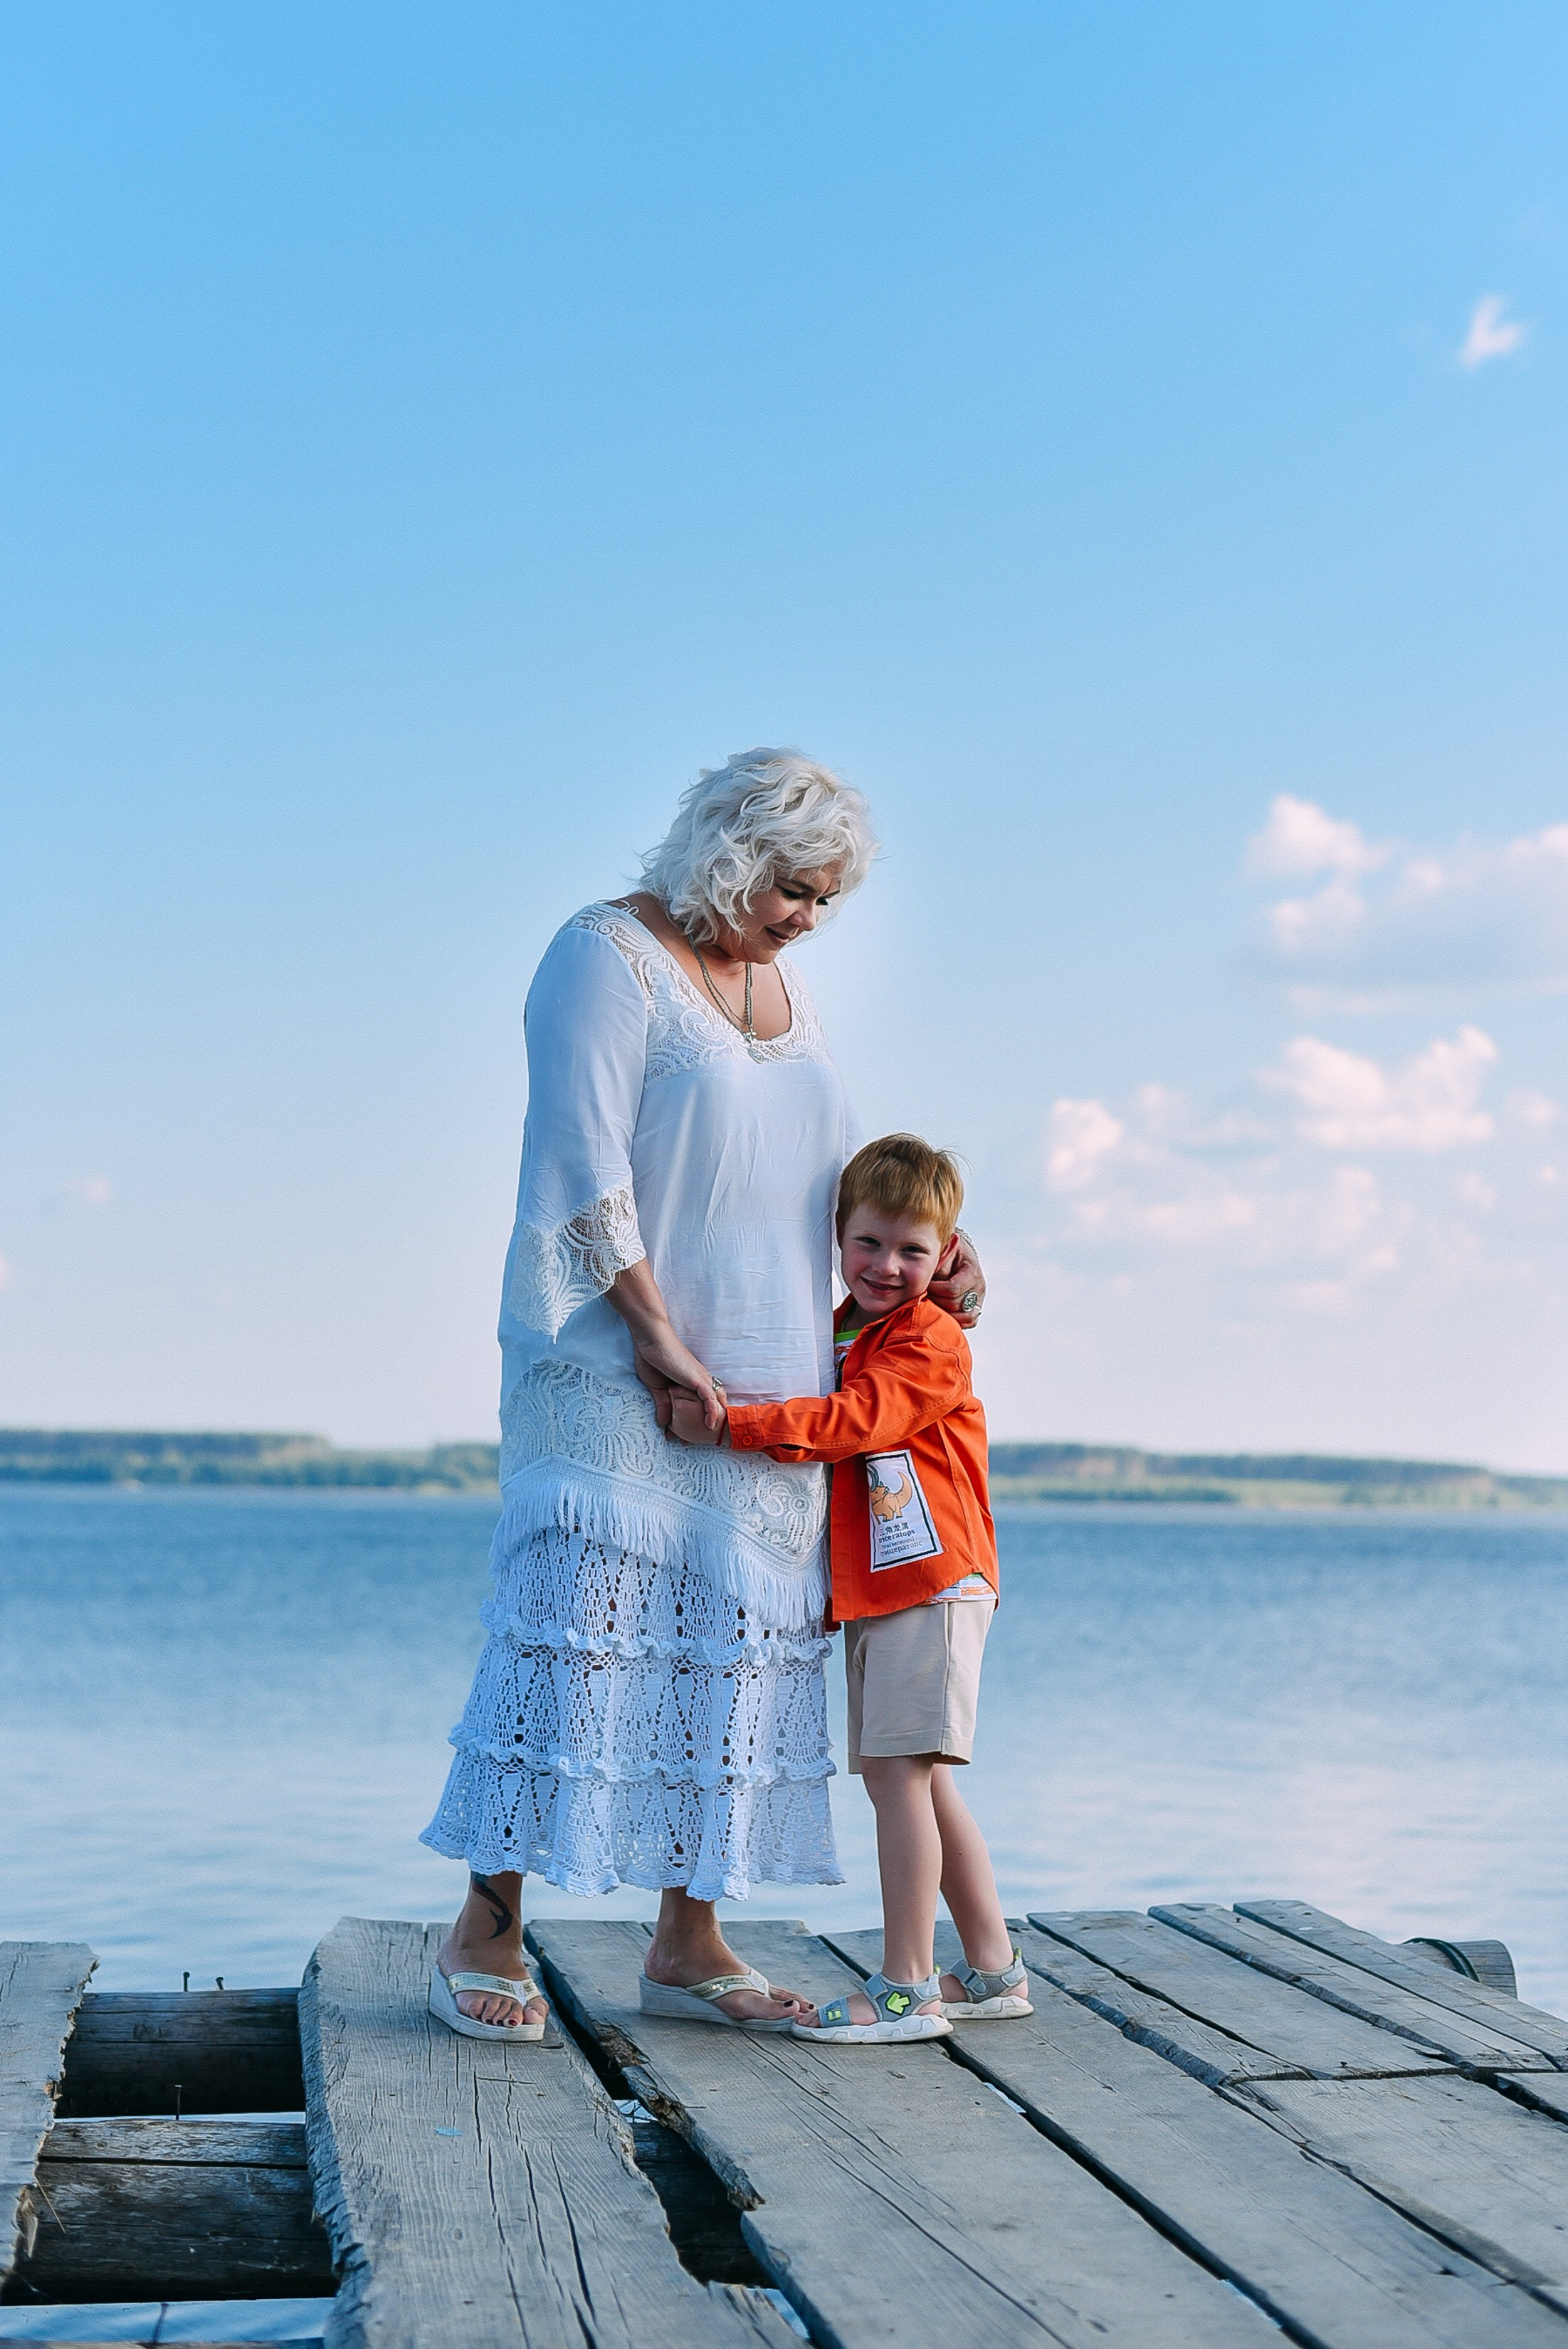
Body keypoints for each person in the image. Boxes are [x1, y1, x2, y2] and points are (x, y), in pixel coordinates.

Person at [421, 752, 988, 2038]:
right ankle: (484, 1932)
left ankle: (690, 1941)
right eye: (793, 889)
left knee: (732, 1671)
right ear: (730, 851)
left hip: (770, 1383)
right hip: (621, 1374)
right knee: (568, 1651)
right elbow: (577, 1161)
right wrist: (656, 1333)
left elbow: (818, 1175)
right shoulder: (601, 956)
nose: (807, 920)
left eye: (825, 901)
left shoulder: (783, 987)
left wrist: (933, 1252)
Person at [670, 1133, 1029, 2043]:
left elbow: (854, 1420)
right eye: (869, 1243)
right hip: (886, 1588)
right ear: (837, 1235)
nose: (886, 1265)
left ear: (947, 1253)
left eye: (913, 1251)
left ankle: (907, 1988)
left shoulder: (930, 1340)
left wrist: (731, 1428)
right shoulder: (850, 1325)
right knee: (912, 1778)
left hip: (934, 1581)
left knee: (898, 1779)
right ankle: (991, 1968)